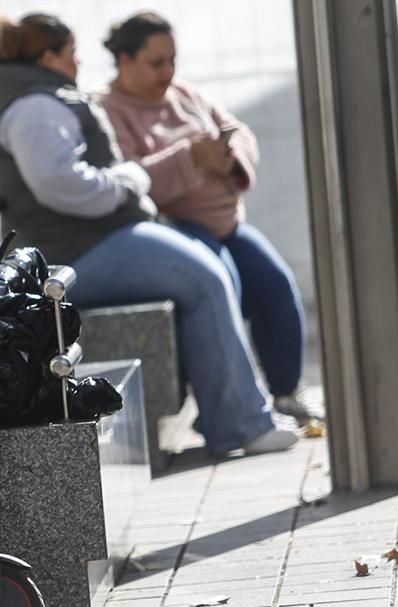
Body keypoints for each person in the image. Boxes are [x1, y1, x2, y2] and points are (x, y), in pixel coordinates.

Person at [0, 13, 298, 457]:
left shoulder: (32, 98)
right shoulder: (34, 107)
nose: (79, 61)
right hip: (76, 248)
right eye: (72, 53)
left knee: (210, 273)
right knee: (205, 277)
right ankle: (240, 424)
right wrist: (130, 179)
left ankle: (233, 415)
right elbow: (66, 187)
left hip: (86, 239)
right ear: (49, 58)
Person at [98, 11, 319, 423]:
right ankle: (227, 403)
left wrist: (227, 156)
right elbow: (128, 179)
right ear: (124, 61)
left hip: (229, 222)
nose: (167, 72)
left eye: (172, 60)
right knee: (224, 289)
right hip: (173, 229)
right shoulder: (108, 111)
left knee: (276, 285)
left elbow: (237, 131)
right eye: (156, 62)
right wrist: (190, 158)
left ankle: (286, 391)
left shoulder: (185, 94)